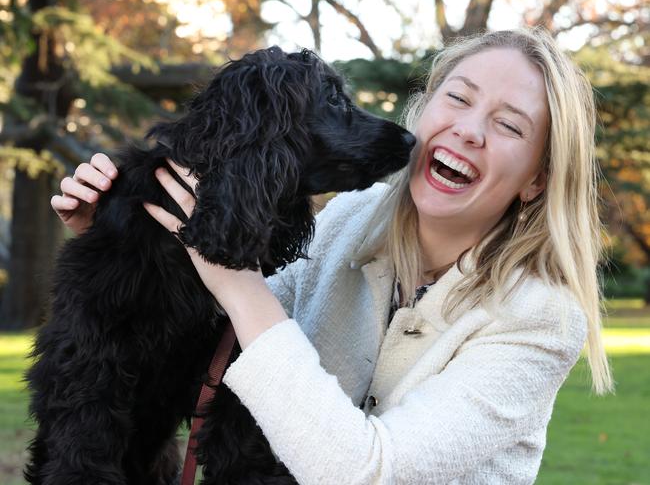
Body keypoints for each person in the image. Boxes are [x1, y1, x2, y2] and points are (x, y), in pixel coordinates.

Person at [51, 27, 613, 484]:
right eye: (459, 98)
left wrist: (238, 284)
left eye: (508, 125)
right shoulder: (349, 220)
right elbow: (217, 344)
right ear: (426, 108)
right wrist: (124, 239)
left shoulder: (540, 319)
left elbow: (371, 470)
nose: (468, 130)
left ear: (537, 180)